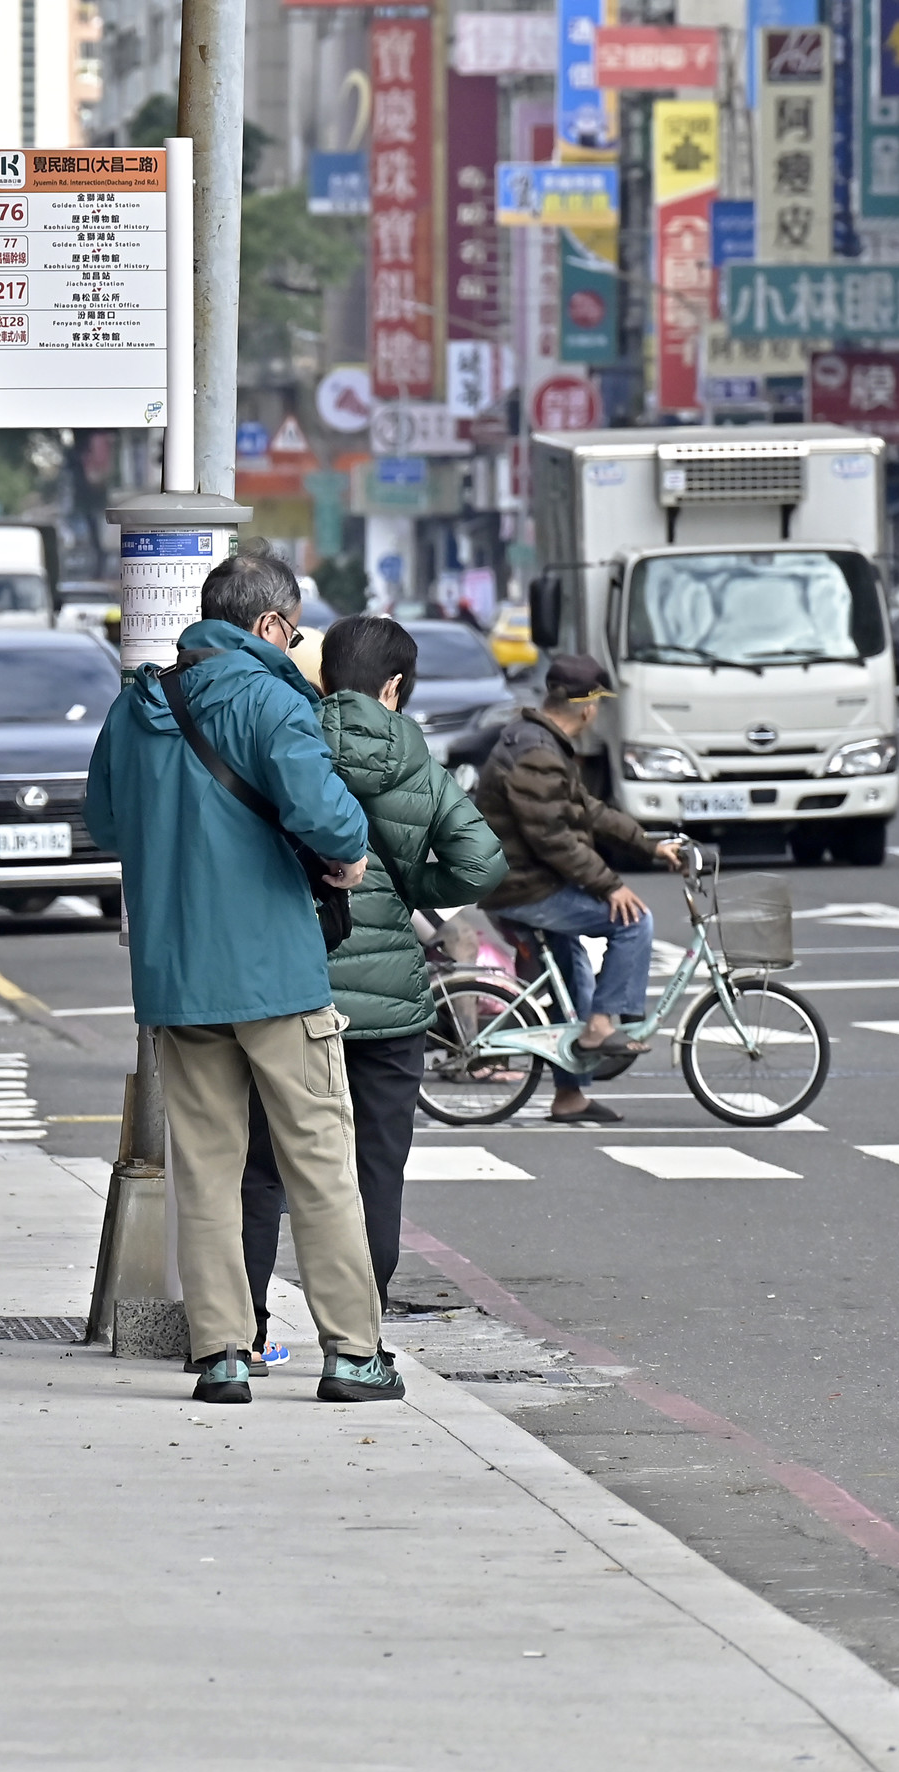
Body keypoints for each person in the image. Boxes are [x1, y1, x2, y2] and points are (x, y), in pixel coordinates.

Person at [84, 552, 404, 1407]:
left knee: (209, 1167)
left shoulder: (138, 704)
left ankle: (221, 1352)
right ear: (266, 625)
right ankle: (353, 1353)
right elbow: (327, 815)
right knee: (320, 1163)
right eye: (292, 631)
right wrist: (347, 859)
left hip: (177, 976)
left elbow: (106, 820)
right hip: (274, 974)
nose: (295, 645)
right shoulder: (271, 700)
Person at [239, 614, 505, 1362]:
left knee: (262, 1167)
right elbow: (481, 866)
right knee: (373, 1172)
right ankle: (359, 1334)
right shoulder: (415, 759)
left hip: (294, 990)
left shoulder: (287, 737)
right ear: (394, 686)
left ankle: (247, 1329)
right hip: (388, 1012)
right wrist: (414, 881)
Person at [477, 652, 682, 1126]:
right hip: (521, 888)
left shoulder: (542, 744)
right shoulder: (537, 754)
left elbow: (586, 811)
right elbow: (554, 838)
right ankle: (602, 1026)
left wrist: (651, 847)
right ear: (587, 707)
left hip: (524, 882)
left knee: (574, 981)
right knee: (633, 921)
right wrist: (610, 886)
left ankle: (570, 1096)